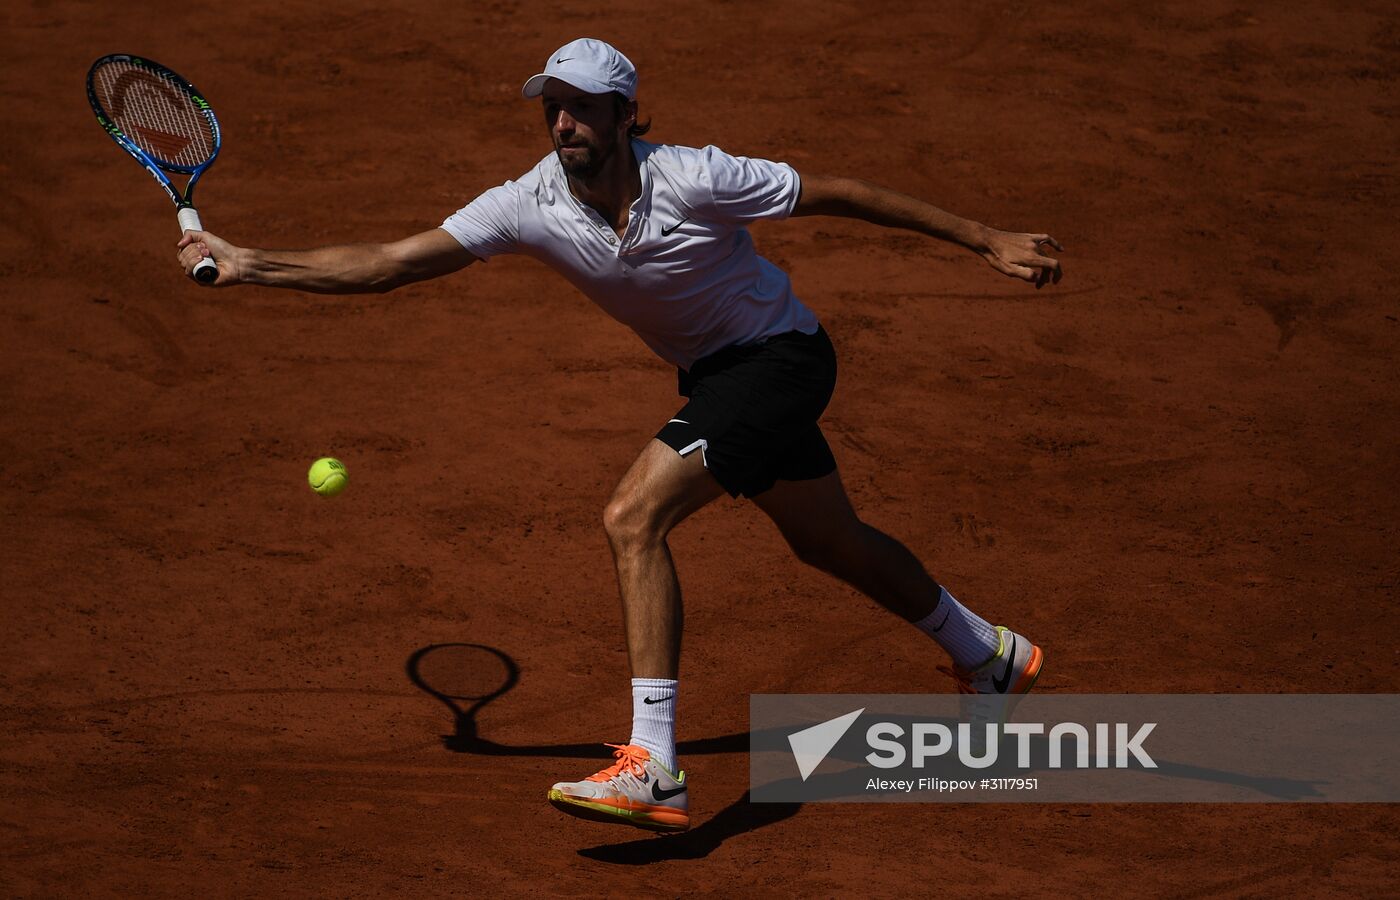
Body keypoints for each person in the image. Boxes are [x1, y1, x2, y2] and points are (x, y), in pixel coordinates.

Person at [177, 38, 1062, 834]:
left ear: (626, 116)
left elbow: (841, 194)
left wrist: (983, 238)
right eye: (551, 106)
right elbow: (391, 264)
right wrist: (253, 263)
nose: (562, 122)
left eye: (582, 106)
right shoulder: (526, 203)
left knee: (632, 517)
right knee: (829, 541)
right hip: (722, 379)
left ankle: (653, 767)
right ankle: (988, 654)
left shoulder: (696, 175)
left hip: (783, 360)